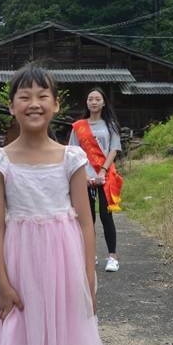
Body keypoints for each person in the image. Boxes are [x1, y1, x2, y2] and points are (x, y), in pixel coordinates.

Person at [0, 64, 105, 345]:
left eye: (42, 96)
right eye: (25, 97)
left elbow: (86, 223)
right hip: (18, 265)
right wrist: (3, 282)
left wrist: (88, 280)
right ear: (11, 106)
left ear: (56, 104)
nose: (34, 103)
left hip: (63, 265)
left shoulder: (71, 157)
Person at [68, 87, 123, 272]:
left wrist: (102, 172)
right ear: (87, 102)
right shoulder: (78, 127)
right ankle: (90, 255)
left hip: (106, 176)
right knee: (87, 217)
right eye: (90, 98)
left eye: (97, 99)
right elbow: (74, 153)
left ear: (103, 102)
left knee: (107, 217)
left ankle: (113, 257)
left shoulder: (111, 125)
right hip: (84, 177)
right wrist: (85, 176)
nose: (93, 102)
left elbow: (114, 149)